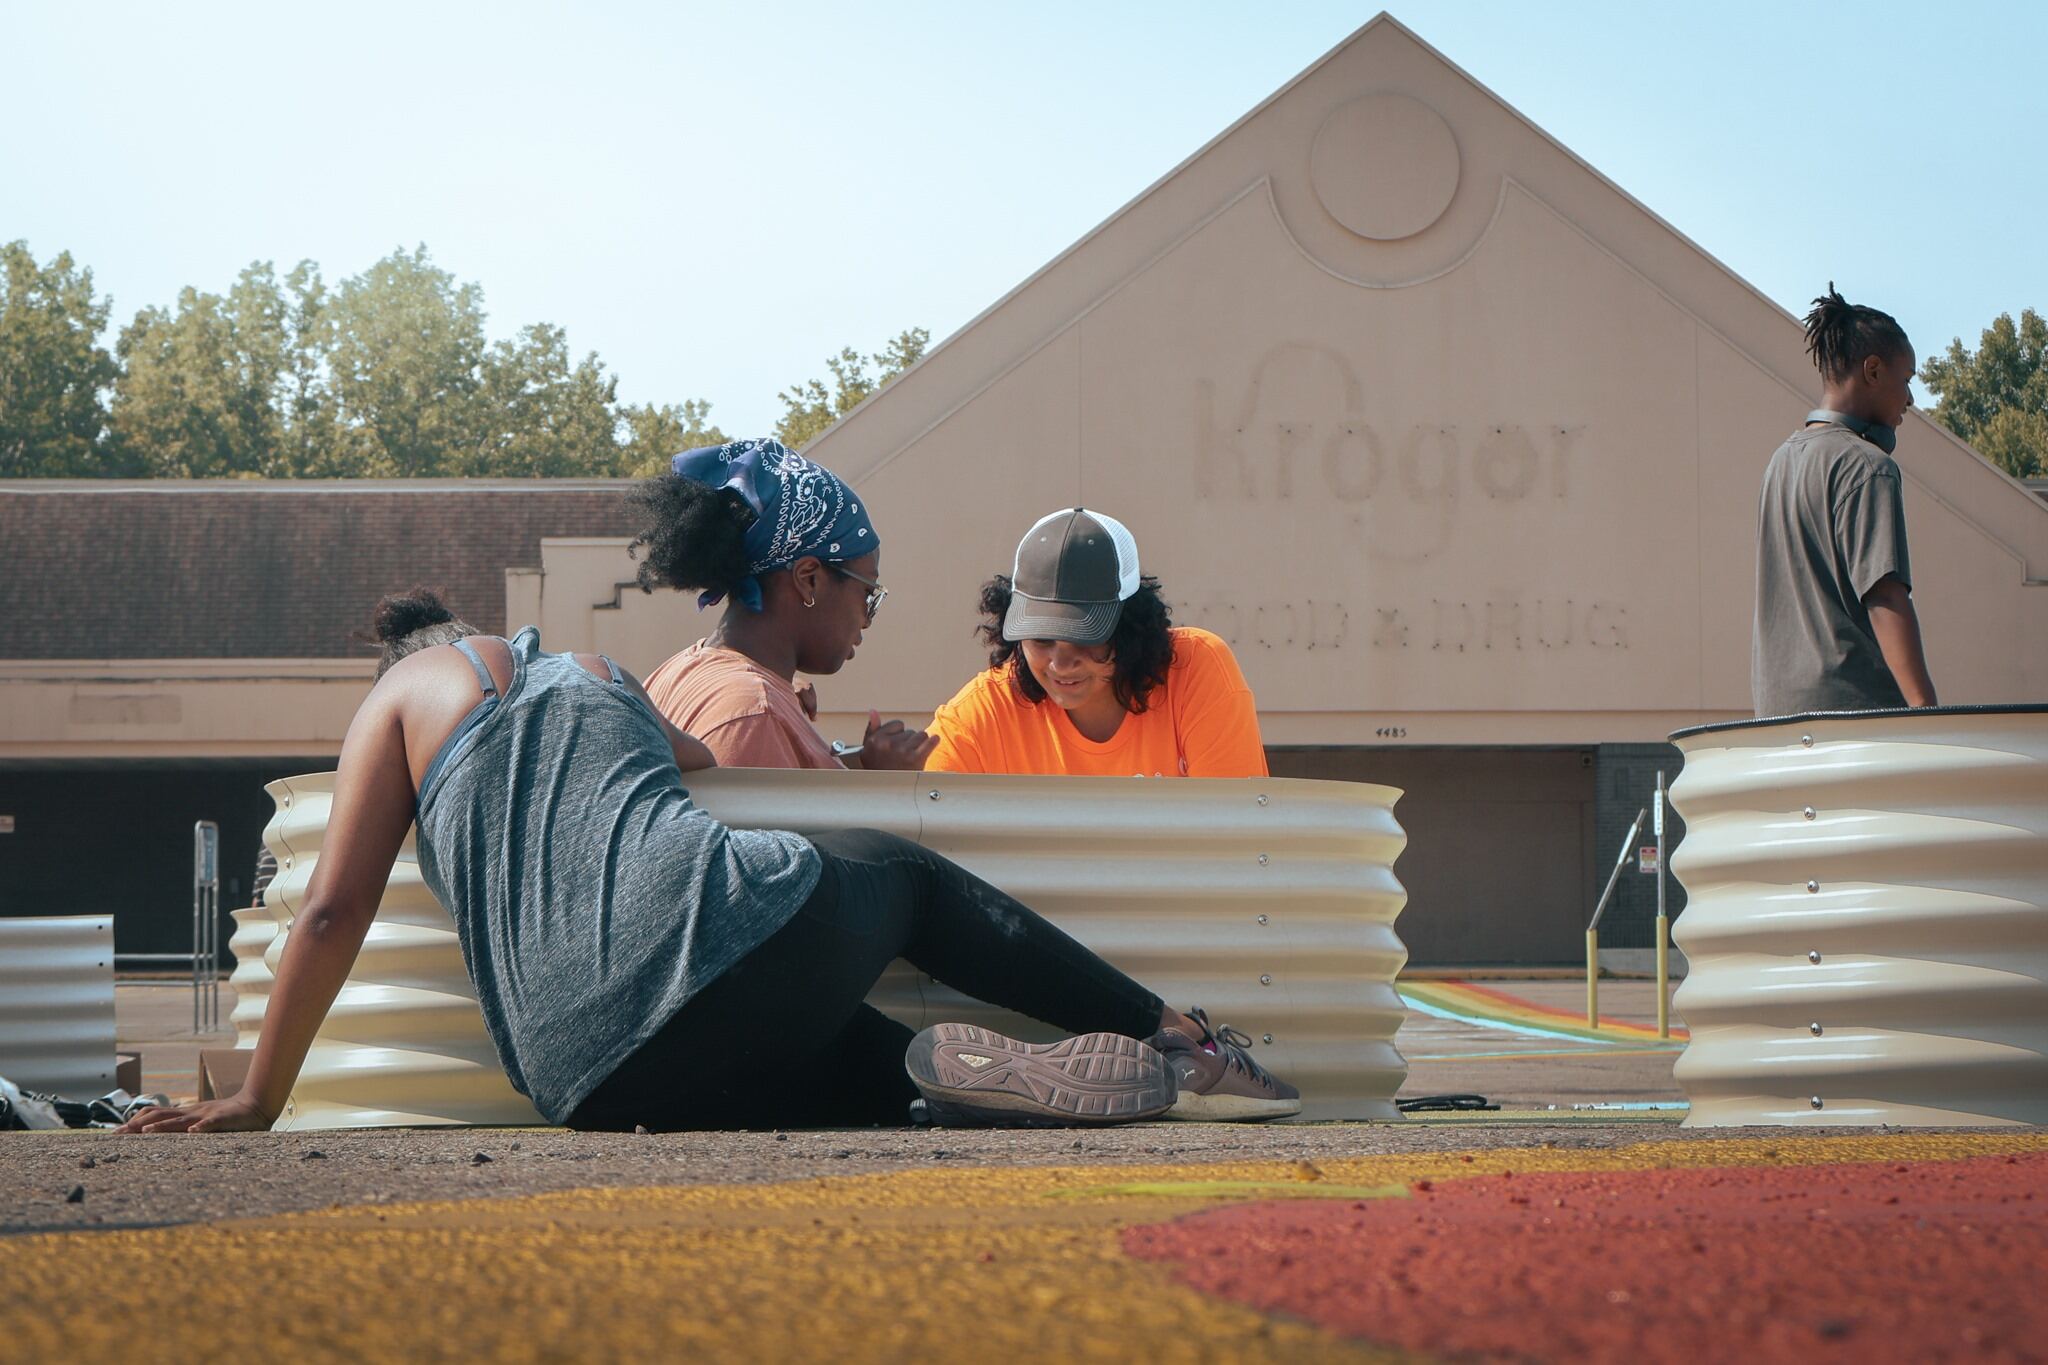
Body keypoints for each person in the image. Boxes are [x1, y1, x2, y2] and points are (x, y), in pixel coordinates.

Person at [122, 594, 1298, 1135]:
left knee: (844, 1069)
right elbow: (716, 764)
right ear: (479, 635)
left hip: (585, 1077)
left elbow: (329, 909)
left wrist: (252, 1099)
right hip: (724, 930)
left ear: (399, 661)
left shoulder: (396, 706)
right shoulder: (584, 670)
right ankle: (1177, 1035)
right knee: (906, 878)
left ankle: (932, 1089)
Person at [631, 438, 934, 770]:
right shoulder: (752, 714)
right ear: (809, 579)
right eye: (867, 594)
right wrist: (888, 791)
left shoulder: (680, 671)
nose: (866, 620)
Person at [925, 508, 1268, 779]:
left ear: (1132, 628)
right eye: (1042, 638)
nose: (1061, 662)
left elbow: (1238, 846)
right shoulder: (983, 711)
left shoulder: (1197, 668)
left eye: (1085, 636)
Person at [1752, 286, 1937, 717]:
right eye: (1906, 380)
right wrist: (1927, 714)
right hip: (1856, 717)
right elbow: (1885, 596)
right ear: (1873, 370)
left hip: (1777, 718)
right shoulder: (1868, 465)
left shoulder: (1782, 462)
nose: (1910, 399)